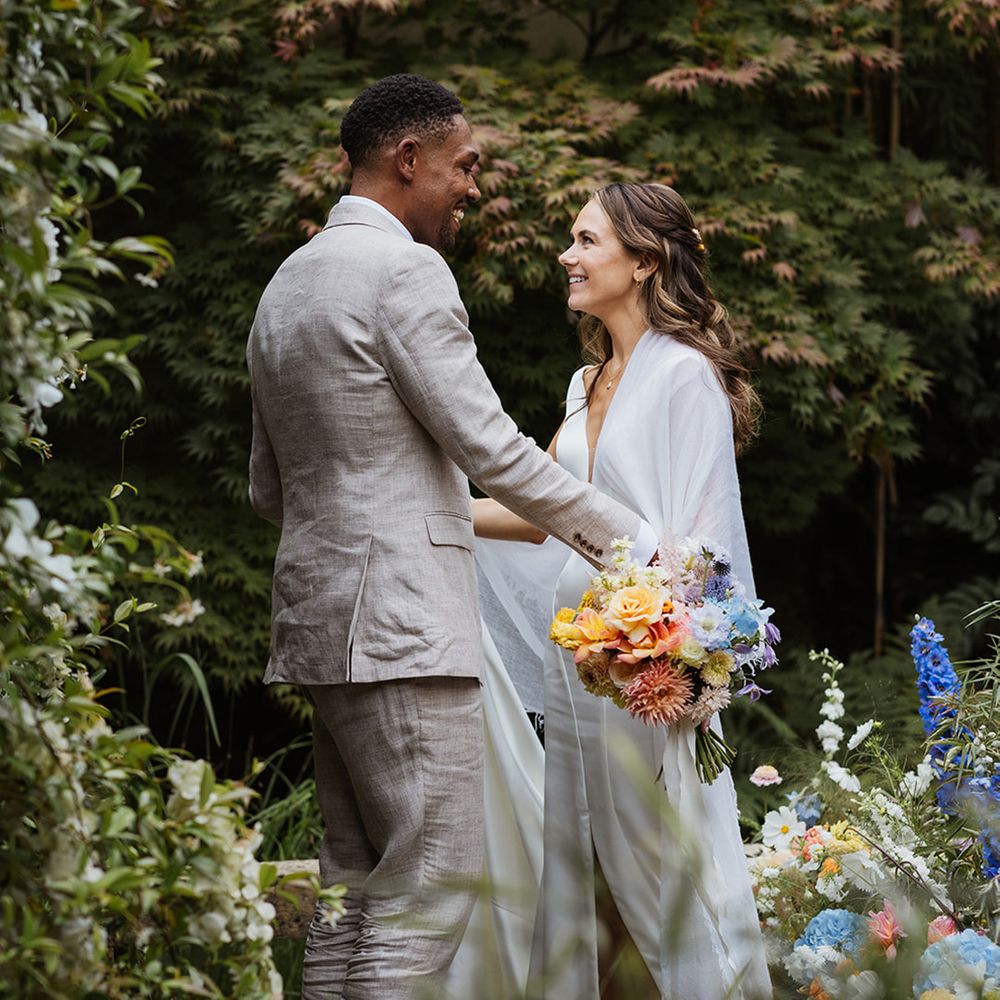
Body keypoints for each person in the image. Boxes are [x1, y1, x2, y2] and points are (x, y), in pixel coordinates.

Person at [245, 75, 659, 1000]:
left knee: (354, 893)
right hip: (402, 631)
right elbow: (492, 449)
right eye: (464, 166)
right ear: (409, 159)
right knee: (429, 891)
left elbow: (268, 487)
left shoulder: (288, 281)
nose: (473, 187)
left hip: (317, 627)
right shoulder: (405, 271)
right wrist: (635, 545)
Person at [471, 182, 772, 999]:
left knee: (657, 856)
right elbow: (539, 513)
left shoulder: (685, 376)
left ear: (643, 262)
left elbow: (705, 538)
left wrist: (679, 657)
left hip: (647, 665)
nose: (566, 255)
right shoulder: (586, 382)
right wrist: (435, 511)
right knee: (582, 859)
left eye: (586, 240)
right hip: (580, 661)